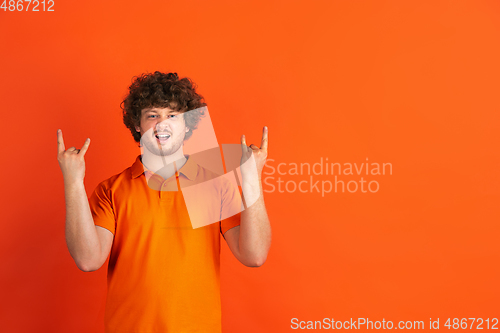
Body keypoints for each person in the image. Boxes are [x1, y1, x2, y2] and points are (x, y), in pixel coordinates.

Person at [56, 71, 271, 332]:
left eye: (173, 116)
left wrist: (252, 179)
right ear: (138, 124)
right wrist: (73, 182)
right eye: (153, 115)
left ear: (188, 125)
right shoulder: (112, 190)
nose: (162, 124)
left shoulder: (215, 186)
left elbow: (254, 255)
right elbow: (88, 260)